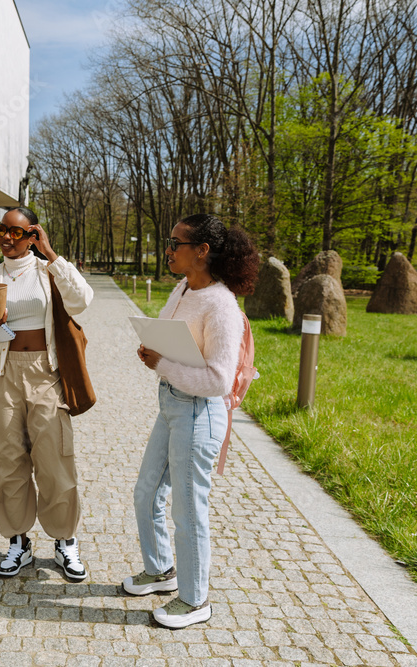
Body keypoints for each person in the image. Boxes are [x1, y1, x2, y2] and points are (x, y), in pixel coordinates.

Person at [123, 213, 259, 629]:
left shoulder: (221, 306)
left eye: (176, 242)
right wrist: (155, 349)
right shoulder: (183, 288)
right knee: (146, 491)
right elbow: (169, 333)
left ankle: (195, 599)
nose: (168, 249)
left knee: (188, 509)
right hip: (171, 404)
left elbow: (218, 379)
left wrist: (161, 362)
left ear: (201, 251)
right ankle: (161, 570)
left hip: (199, 413)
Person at [0, 206, 94, 580]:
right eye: (1, 230)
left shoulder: (46, 272)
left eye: (16, 232)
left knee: (54, 458)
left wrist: (51, 255)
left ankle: (65, 541)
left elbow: (83, 300)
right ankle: (18, 541)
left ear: (32, 235)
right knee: (5, 460)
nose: (6, 237)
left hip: (45, 371)